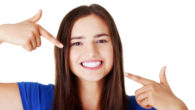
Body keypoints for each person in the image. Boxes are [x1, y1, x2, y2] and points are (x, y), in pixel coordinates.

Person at [0, 4, 188, 110]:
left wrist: (178, 107)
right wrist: (1, 33)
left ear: (115, 48)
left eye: (101, 41)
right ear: (63, 52)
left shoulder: (145, 107)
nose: (91, 52)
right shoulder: (37, 99)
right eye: (77, 43)